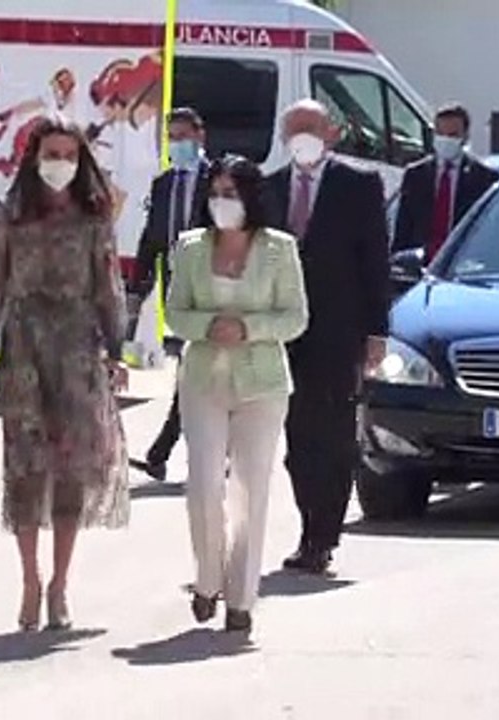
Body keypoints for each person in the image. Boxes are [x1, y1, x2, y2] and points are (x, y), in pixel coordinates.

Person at [0, 113, 131, 632]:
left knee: (71, 469)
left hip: (78, 349)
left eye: (68, 154)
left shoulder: (94, 217)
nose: (58, 164)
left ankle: (60, 584)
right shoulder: (9, 215)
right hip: (23, 351)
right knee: (25, 469)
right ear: (33, 159)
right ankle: (30, 581)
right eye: (50, 154)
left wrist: (117, 350)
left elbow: (108, 288)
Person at [166, 155, 308, 633]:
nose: (222, 203)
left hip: (262, 383)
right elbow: (174, 315)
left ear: (251, 197)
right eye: (216, 193)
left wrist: (249, 327)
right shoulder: (189, 249)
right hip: (204, 381)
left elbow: (295, 317)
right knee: (204, 486)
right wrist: (209, 326)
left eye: (231, 193)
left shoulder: (278, 249)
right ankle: (208, 579)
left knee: (250, 490)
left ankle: (242, 598)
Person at [262, 100, 389, 575]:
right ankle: (308, 522)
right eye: (294, 130)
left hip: (339, 331)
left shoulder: (358, 186)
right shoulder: (269, 189)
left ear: (332, 133)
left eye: (311, 129)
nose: (303, 138)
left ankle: (322, 535)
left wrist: (377, 331)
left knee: (333, 434)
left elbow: (375, 260)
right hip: (281, 334)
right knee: (298, 442)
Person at [128, 107, 212, 482]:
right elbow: (152, 238)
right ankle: (166, 452)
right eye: (172, 138)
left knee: (197, 372)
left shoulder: (219, 178)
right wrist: (137, 287)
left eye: (184, 136)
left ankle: (165, 451)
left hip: (214, 289)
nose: (178, 144)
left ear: (200, 136)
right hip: (178, 291)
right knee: (194, 371)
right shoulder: (164, 184)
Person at [392, 103, 499, 260]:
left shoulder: (483, 178)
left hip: (462, 264)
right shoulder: (416, 175)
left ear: (465, 137)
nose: (445, 140)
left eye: (452, 135)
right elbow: (403, 229)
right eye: (440, 134)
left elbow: (490, 232)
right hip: (420, 263)